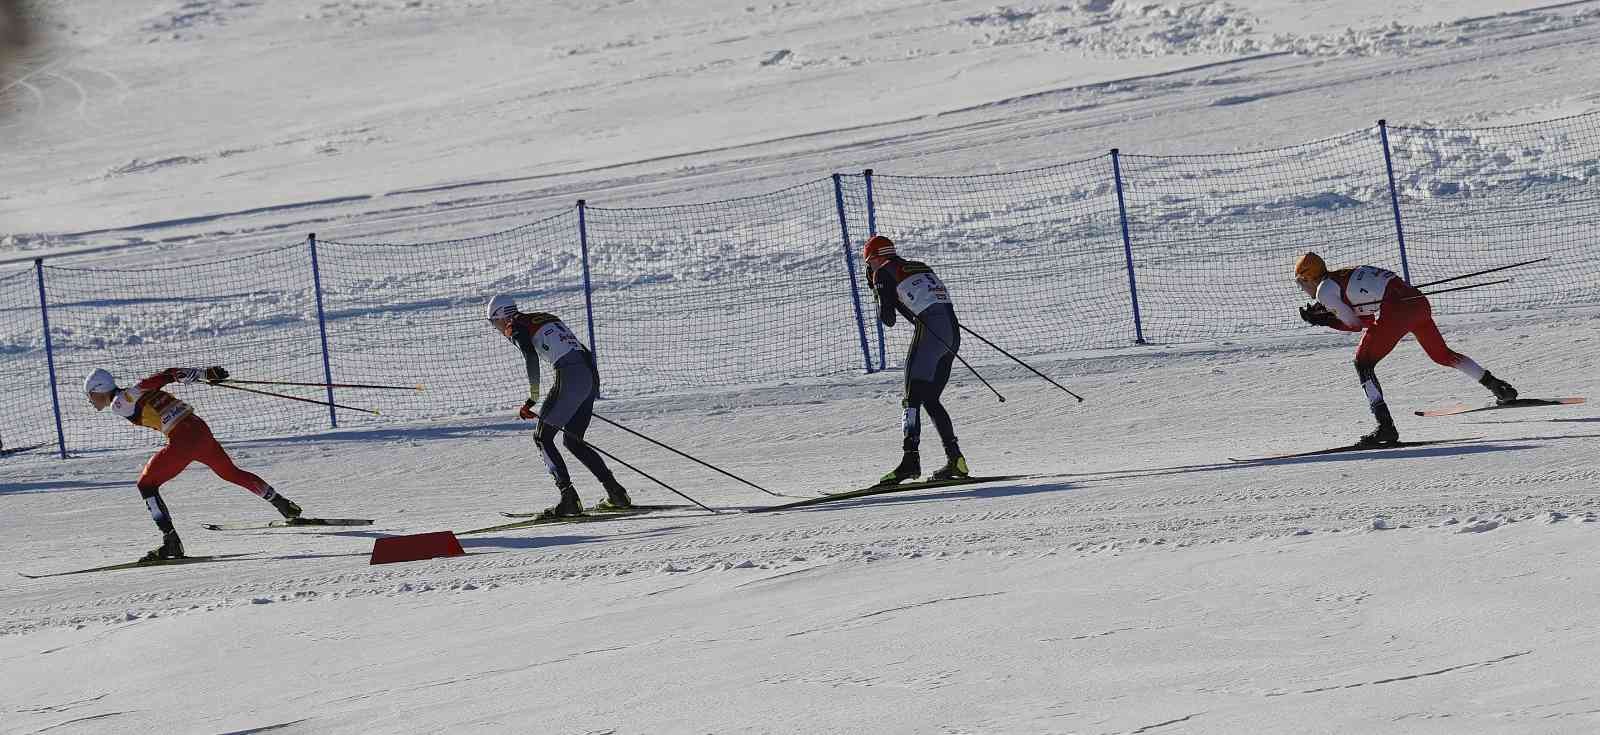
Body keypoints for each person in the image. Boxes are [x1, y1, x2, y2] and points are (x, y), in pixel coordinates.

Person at [1294, 251, 1518, 446]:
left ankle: (1385, 428)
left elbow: (1355, 325)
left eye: (1301, 283)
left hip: (1397, 310)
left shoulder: (1324, 290)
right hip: (1417, 301)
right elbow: (1368, 318)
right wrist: (1333, 313)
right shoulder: (1342, 276)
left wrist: (1325, 320)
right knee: (1442, 355)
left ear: (1309, 278)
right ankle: (1499, 388)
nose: (1303, 289)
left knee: (1363, 364)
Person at [85, 366, 303, 561]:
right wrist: (204, 374)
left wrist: (198, 374)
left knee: (146, 485)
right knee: (231, 472)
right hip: (199, 429)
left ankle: (171, 542)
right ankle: (283, 505)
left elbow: (158, 378)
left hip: (183, 439)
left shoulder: (119, 402)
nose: (90, 400)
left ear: (98, 390)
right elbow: (167, 375)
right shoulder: (132, 395)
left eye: (90, 395)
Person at [487, 294, 631, 519]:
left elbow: (531, 359)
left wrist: (532, 400)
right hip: (589, 374)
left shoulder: (515, 326)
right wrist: (583, 388)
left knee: (542, 438)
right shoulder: (543, 317)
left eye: (494, 323)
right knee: (573, 440)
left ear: (502, 317)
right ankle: (617, 493)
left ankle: (568, 499)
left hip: (570, 374)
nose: (497, 329)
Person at [863, 235, 969, 484]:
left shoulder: (882, 273)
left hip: (931, 334)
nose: (869, 269)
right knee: (931, 399)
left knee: (911, 399)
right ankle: (956, 460)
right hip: (952, 335)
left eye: (869, 264)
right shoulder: (918, 266)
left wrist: (878, 293)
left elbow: (888, 320)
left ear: (875, 259)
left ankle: (910, 462)